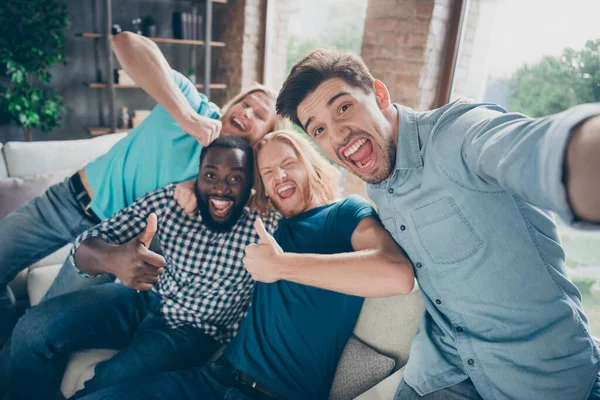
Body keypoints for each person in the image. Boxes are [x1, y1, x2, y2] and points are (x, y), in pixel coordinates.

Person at [275, 48, 600, 400]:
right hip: (443, 373)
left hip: (543, 380)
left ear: (380, 95)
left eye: (344, 107)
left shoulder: (456, 133)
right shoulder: (378, 182)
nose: (337, 134)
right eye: (319, 129)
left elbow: (535, 148)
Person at [72, 129, 414, 400]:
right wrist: (194, 185)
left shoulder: (343, 213)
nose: (278, 175)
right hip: (215, 376)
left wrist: (282, 266)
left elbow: (397, 274)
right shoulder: (267, 223)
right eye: (267, 172)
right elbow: (223, 186)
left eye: (288, 163)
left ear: (309, 162)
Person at [0, 31, 287, 340]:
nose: (245, 112)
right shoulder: (195, 107)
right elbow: (124, 43)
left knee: (40, 325)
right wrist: (186, 116)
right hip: (66, 201)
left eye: (259, 115)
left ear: (262, 138)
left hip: (111, 246)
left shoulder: (234, 186)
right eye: (245, 103)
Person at [2, 136, 280, 400]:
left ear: (250, 184)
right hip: (146, 296)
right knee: (32, 331)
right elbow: (91, 240)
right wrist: (112, 258)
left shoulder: (266, 224)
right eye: (210, 175)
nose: (221, 188)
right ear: (198, 175)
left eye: (235, 178)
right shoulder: (169, 201)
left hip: (194, 328)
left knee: (108, 383)